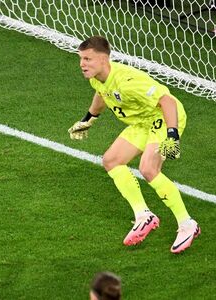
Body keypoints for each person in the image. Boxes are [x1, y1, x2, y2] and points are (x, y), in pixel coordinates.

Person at [69, 36, 200, 253]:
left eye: (88, 59)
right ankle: (143, 216)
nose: (82, 64)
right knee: (111, 160)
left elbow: (166, 101)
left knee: (148, 168)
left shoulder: (128, 81)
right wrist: (88, 119)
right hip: (142, 122)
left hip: (164, 117)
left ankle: (187, 224)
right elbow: (102, 94)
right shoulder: (97, 78)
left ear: (104, 60)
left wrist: (172, 135)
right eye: (81, 58)